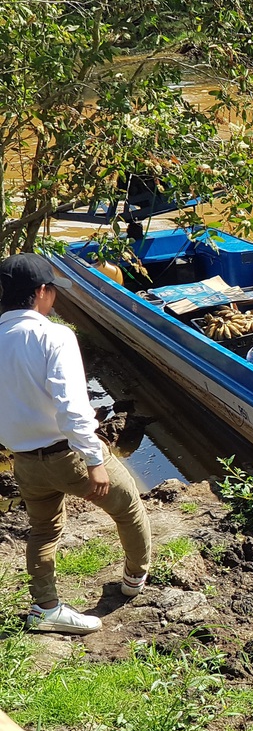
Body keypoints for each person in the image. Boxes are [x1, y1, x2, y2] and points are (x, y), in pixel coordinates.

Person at [0, 253, 152, 635]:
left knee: (43, 529)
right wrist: (93, 459)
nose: (54, 297)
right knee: (128, 507)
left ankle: (45, 606)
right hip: (66, 454)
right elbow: (71, 405)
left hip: (25, 461)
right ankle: (134, 578)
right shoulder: (53, 336)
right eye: (52, 290)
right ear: (40, 292)